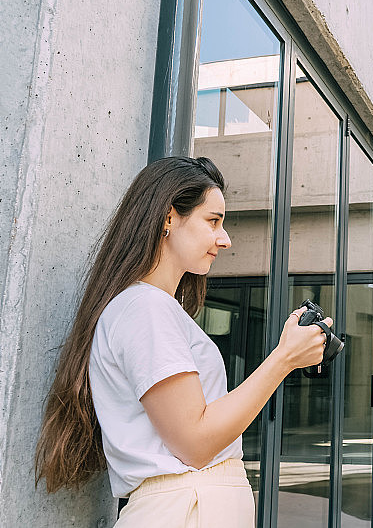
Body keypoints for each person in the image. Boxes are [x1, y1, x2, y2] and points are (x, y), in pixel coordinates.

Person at [35, 156, 329, 527]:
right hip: (187, 507)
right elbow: (195, 441)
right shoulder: (144, 308)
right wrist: (283, 359)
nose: (225, 239)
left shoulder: (153, 308)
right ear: (168, 217)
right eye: (213, 221)